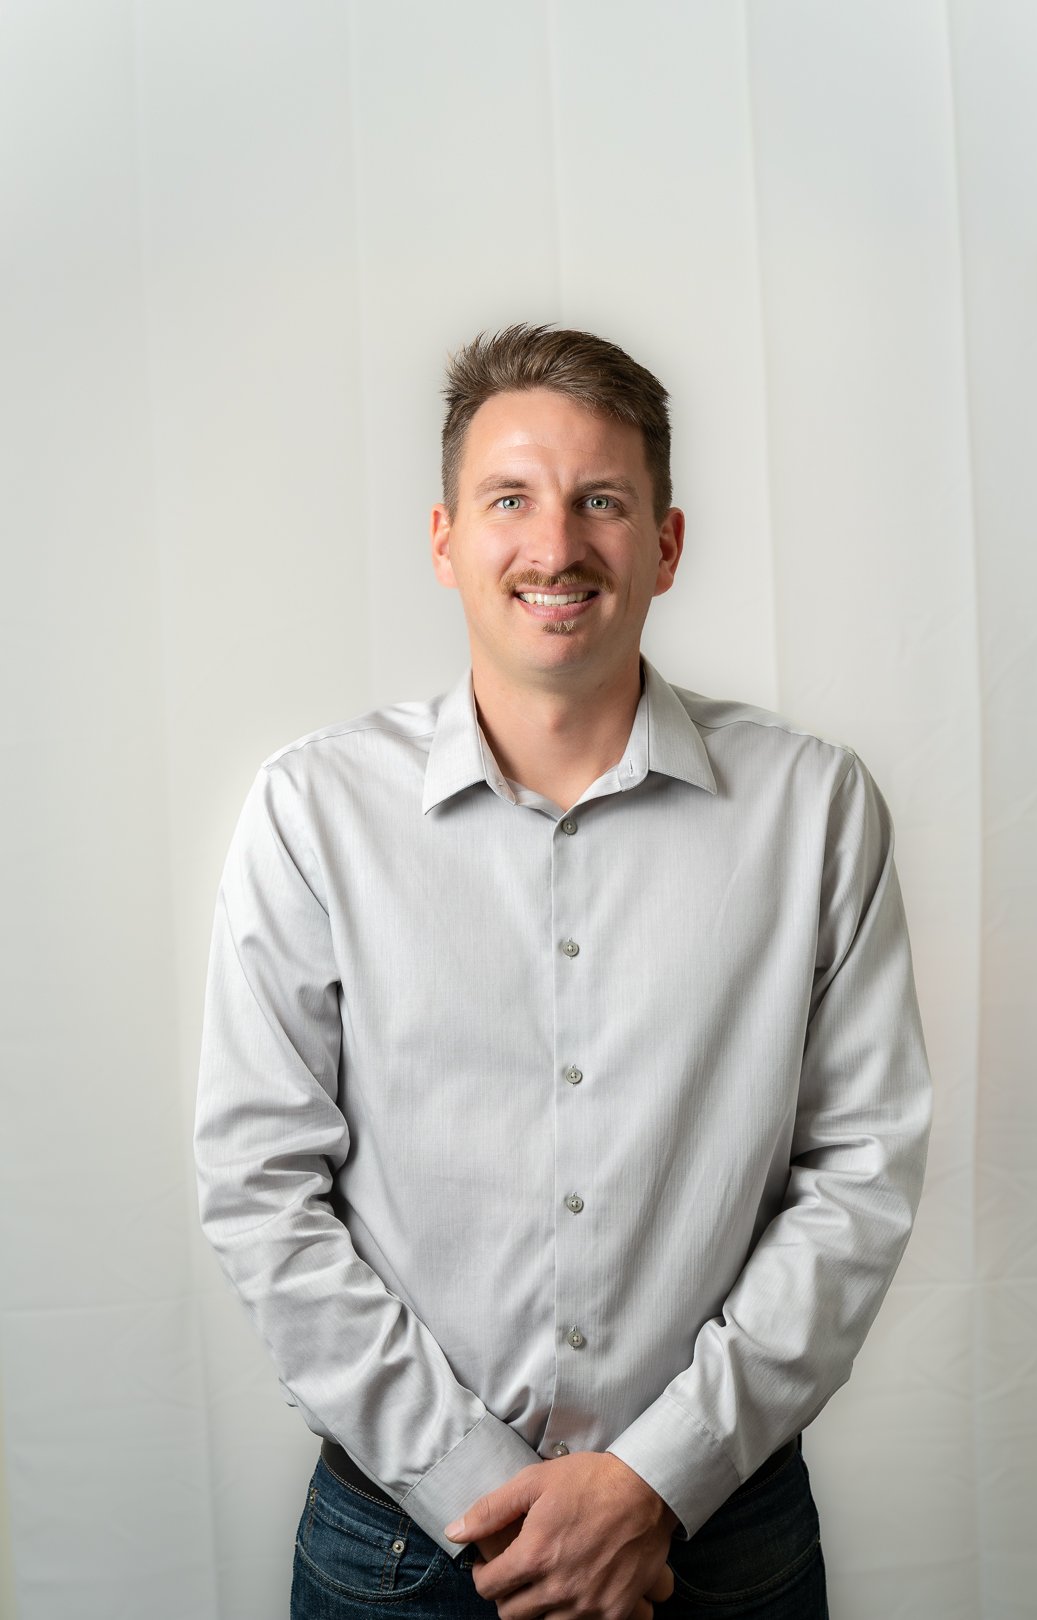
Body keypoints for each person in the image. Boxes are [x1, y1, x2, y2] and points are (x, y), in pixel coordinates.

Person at [194, 322, 932, 1620]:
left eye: (602, 500)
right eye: (509, 500)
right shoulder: (313, 813)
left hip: (719, 1549)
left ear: (666, 543)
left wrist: (657, 1478)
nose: (555, 546)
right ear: (444, 540)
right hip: (402, 1556)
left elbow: (861, 1174)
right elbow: (261, 1187)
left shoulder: (815, 809)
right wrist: (482, 1488)